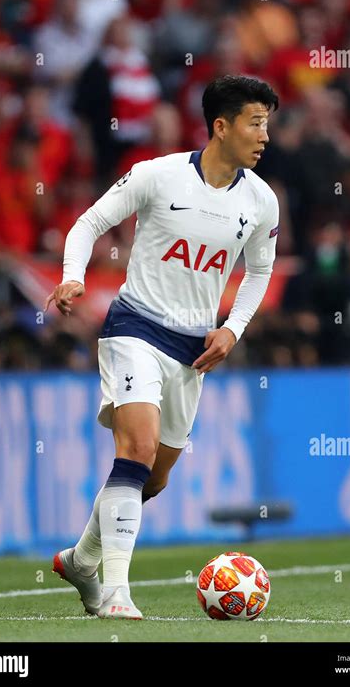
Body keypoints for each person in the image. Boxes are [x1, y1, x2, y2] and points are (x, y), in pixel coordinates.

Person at [44, 75, 280, 620]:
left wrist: (233, 328)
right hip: (134, 328)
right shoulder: (157, 175)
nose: (264, 134)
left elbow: (259, 272)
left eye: (267, 123)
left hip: (192, 349)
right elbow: (90, 222)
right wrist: (73, 275)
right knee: (138, 450)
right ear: (221, 126)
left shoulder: (261, 201)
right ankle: (117, 594)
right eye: (255, 122)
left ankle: (82, 560)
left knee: (155, 475)